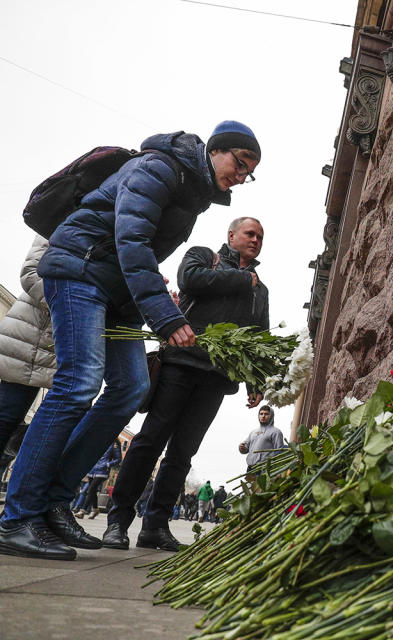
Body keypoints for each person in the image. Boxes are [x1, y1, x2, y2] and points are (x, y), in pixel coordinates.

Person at [0, 121, 260, 561]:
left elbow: (140, 253)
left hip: (113, 289)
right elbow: (131, 238)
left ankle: (54, 503)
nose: (241, 175)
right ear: (216, 150)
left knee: (132, 387)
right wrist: (164, 314)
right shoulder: (160, 168)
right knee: (79, 381)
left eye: (249, 171)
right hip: (79, 269)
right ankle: (19, 516)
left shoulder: (192, 193)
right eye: (239, 162)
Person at [103, 216, 269, 552]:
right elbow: (189, 280)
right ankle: (118, 521)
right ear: (231, 234)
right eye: (250, 234)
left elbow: (258, 336)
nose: (255, 240)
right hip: (180, 364)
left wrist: (257, 380)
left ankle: (156, 525)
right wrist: (241, 279)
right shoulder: (204, 256)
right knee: (150, 441)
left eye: (260, 237)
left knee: (182, 452)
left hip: (216, 377)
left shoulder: (260, 289)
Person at [0, 236, 56, 467]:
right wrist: (72, 305)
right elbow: (31, 273)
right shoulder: (63, 216)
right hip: (30, 337)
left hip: (50, 345)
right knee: (6, 418)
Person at [73, 440, 122, 518]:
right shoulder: (99, 440)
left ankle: (82, 511)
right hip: (92, 469)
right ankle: (95, 509)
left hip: (102, 471)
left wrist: (107, 464)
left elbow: (118, 459)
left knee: (91, 489)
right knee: (93, 491)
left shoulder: (114, 443)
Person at [239, 406, 286, 471]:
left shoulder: (276, 432)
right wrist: (241, 448)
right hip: (250, 468)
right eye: (261, 414)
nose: (263, 416)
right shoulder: (253, 432)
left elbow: (279, 452)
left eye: (266, 414)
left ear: (271, 416)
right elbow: (245, 448)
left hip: (265, 468)